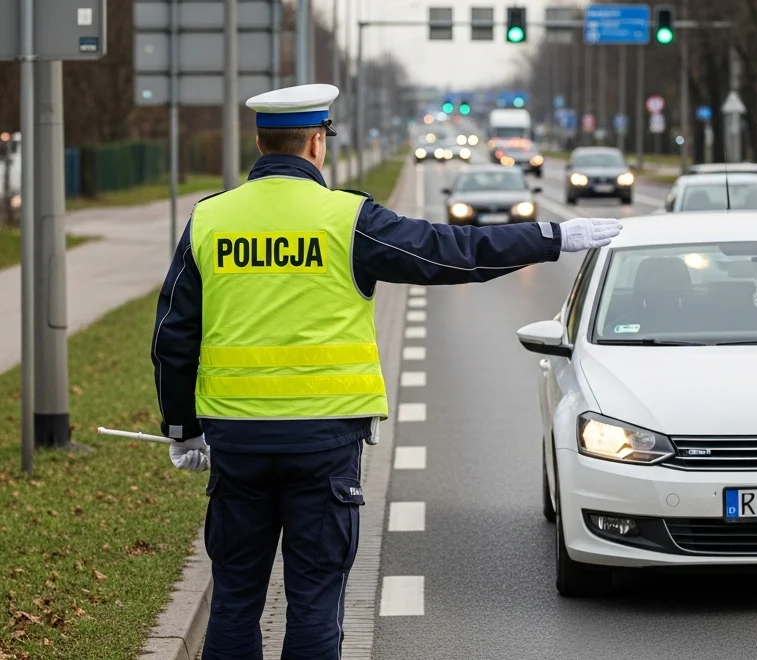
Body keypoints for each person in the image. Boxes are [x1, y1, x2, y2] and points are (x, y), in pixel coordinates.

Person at [150, 83, 621, 660]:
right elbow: (446, 250)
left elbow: (173, 333)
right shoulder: (347, 219)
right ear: (318, 143)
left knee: (235, 598)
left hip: (238, 439)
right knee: (315, 599)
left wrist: (182, 428)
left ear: (258, 141)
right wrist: (552, 237)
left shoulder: (210, 219)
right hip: (324, 441)